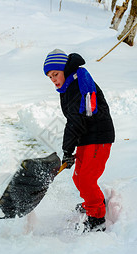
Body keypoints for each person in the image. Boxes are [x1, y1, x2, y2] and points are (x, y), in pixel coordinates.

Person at [43, 49, 115, 233]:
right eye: (50, 77)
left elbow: (76, 119)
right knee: (78, 177)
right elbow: (75, 119)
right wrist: (70, 148)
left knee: (86, 178)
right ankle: (93, 202)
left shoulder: (77, 84)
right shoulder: (69, 84)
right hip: (87, 136)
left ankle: (97, 217)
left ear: (64, 69)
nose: (53, 80)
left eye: (55, 74)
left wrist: (67, 150)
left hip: (98, 137)